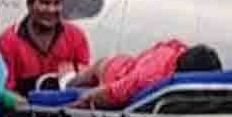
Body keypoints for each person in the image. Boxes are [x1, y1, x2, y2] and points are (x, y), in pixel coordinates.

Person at [66, 40, 221, 108]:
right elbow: (112, 91)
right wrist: (80, 101)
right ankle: (66, 81)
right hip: (119, 69)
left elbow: (113, 92)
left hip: (127, 67)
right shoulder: (150, 77)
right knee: (93, 71)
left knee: (99, 67)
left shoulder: (156, 75)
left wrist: (83, 101)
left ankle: (68, 78)